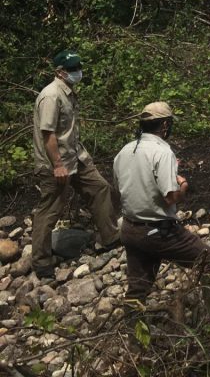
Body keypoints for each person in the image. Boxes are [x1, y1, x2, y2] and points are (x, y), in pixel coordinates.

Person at [112, 102, 210, 320]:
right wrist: (183, 184)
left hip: (130, 229)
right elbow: (171, 197)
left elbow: (120, 189)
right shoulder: (163, 152)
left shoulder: (124, 151)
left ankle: (135, 343)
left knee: (138, 288)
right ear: (164, 125)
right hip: (160, 232)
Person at [31, 50, 119, 279]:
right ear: (60, 72)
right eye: (73, 69)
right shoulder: (51, 95)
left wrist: (81, 157)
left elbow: (67, 131)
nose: (78, 72)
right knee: (51, 209)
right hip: (55, 163)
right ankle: (41, 261)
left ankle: (110, 237)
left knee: (99, 187)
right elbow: (48, 134)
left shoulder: (68, 92)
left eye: (78, 67)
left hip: (75, 157)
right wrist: (58, 166)